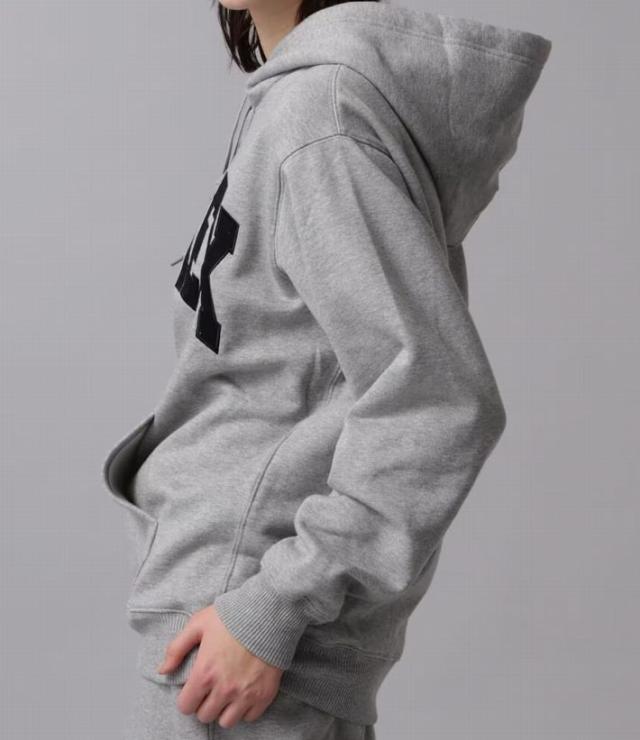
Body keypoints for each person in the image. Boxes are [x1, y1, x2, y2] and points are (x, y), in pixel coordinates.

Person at [101, 1, 551, 738]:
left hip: (242, 629)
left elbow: (438, 399)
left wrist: (275, 605)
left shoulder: (320, 115)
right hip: (230, 616)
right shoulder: (303, 99)